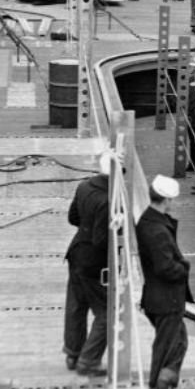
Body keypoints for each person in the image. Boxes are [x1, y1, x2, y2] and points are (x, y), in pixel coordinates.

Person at [134, 175, 190, 389]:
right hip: (166, 298)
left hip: (158, 296)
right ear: (165, 200)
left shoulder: (148, 221)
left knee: (176, 340)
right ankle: (160, 386)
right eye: (171, 200)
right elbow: (166, 267)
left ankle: (163, 382)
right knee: (169, 343)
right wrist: (184, 267)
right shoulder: (157, 230)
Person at [63, 156, 110, 376]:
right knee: (106, 312)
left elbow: (73, 217)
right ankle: (89, 360)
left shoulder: (83, 186)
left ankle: (73, 353)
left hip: (76, 252)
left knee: (76, 305)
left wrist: (86, 226)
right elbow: (102, 241)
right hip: (94, 263)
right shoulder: (108, 200)